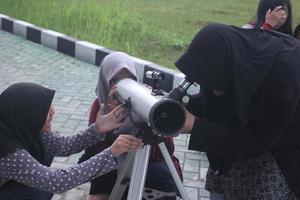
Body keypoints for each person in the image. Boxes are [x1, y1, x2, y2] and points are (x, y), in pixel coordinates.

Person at [176, 23, 300, 199]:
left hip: (277, 156)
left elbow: (259, 139)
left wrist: (195, 126)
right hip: (235, 146)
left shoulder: (286, 73)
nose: (210, 89)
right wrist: (185, 105)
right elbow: (216, 96)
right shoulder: (235, 58)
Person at [0, 82, 143, 200]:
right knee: (37, 189)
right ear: (27, 114)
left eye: (50, 106)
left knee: (41, 175)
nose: (52, 112)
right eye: (44, 109)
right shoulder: (9, 152)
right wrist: (111, 153)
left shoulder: (26, 128)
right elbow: (56, 182)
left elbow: (62, 145)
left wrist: (97, 129)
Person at [79, 51, 182, 200]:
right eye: (116, 80)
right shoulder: (100, 104)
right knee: (97, 159)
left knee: (162, 175)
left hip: (147, 167)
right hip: (113, 167)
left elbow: (167, 150)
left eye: (129, 79)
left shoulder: (144, 101)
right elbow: (91, 150)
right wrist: (110, 123)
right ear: (105, 81)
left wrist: (149, 111)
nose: (123, 84)